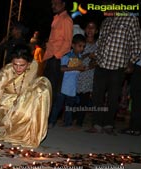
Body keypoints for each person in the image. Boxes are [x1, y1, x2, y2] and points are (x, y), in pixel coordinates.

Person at [0, 44, 52, 148]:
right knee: (21, 105)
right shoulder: (5, 72)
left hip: (25, 100)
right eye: (15, 64)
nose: (18, 68)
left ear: (28, 64)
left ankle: (30, 132)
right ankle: (12, 129)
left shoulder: (34, 66)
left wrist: (24, 100)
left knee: (42, 86)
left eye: (22, 65)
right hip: (7, 105)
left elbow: (32, 89)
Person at [87, 5, 141, 134]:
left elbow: (138, 44)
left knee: (113, 97)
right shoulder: (106, 21)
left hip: (118, 66)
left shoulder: (130, 19)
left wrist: (131, 62)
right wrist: (96, 58)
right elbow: (100, 43)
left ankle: (108, 125)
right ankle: (97, 123)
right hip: (101, 64)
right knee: (97, 96)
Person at [48, 34, 86, 128]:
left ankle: (67, 123)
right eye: (79, 46)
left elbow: (78, 70)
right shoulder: (67, 56)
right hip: (63, 86)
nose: (81, 48)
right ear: (73, 45)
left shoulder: (80, 57)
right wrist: (76, 67)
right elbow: (62, 68)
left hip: (72, 88)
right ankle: (51, 122)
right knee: (58, 106)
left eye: (83, 46)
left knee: (69, 107)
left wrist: (84, 68)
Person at [43, 0, 73, 104]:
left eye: (56, 3)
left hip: (56, 59)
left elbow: (68, 42)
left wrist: (56, 56)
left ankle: (50, 118)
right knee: (45, 88)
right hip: (50, 57)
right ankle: (44, 116)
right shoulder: (57, 18)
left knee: (52, 90)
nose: (53, 6)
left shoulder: (66, 20)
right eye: (52, 4)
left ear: (63, 4)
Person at [75, 21, 98, 127]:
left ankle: (79, 121)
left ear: (96, 31)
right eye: (88, 27)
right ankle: (71, 118)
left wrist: (93, 62)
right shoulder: (79, 42)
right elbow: (75, 58)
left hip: (89, 74)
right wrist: (88, 54)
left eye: (93, 28)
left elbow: (98, 61)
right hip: (76, 73)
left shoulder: (98, 44)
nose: (90, 30)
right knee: (74, 98)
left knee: (84, 99)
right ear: (85, 30)